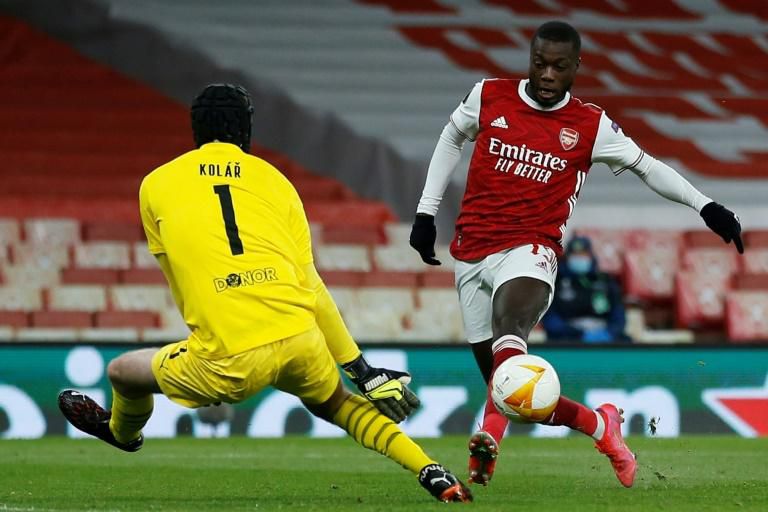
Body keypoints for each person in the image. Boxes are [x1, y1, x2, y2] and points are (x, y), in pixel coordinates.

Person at [58, 83, 472, 503]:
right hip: (297, 334)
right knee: (338, 404)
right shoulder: (276, 181)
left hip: (229, 355)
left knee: (122, 373)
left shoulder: (155, 184)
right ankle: (430, 469)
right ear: (246, 129)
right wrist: (361, 369)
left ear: (196, 130)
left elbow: (176, 272)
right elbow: (311, 284)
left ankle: (122, 435)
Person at [408, 21, 742, 489]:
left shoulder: (590, 125)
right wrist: (426, 213)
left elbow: (648, 167)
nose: (547, 75)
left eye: (559, 67)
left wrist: (705, 205)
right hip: (470, 252)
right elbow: (451, 138)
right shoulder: (489, 96)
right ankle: (601, 425)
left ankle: (488, 439)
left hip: (531, 248)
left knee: (512, 328)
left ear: (575, 68)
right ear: (530, 58)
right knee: (508, 392)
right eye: (539, 63)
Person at [542, 236, 631, 343]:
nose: (580, 258)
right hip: (568, 339)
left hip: (604, 337)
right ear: (568, 257)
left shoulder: (605, 281)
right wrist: (578, 334)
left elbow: (618, 314)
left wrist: (609, 332)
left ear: (591, 256)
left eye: (583, 254)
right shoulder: (556, 282)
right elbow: (550, 318)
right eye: (575, 255)